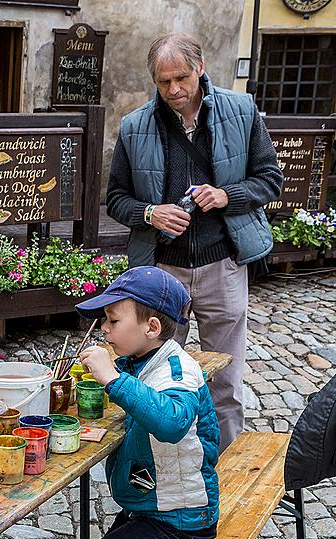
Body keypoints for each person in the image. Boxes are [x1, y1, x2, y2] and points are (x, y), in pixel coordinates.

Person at [106, 33, 283, 452]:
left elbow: (270, 180)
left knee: (225, 386)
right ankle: (159, 480)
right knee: (156, 382)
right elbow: (115, 199)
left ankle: (224, 477)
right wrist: (151, 213)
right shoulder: (135, 126)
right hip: (161, 274)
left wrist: (227, 196)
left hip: (222, 265)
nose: (174, 90)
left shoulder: (241, 112)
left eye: (182, 78)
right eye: (164, 81)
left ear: (200, 68)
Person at [62, 266, 220, 539]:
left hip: (183, 523)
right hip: (154, 508)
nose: (104, 328)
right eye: (104, 320)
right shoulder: (140, 359)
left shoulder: (178, 372)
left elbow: (173, 422)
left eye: (113, 321)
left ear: (151, 327)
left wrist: (114, 381)